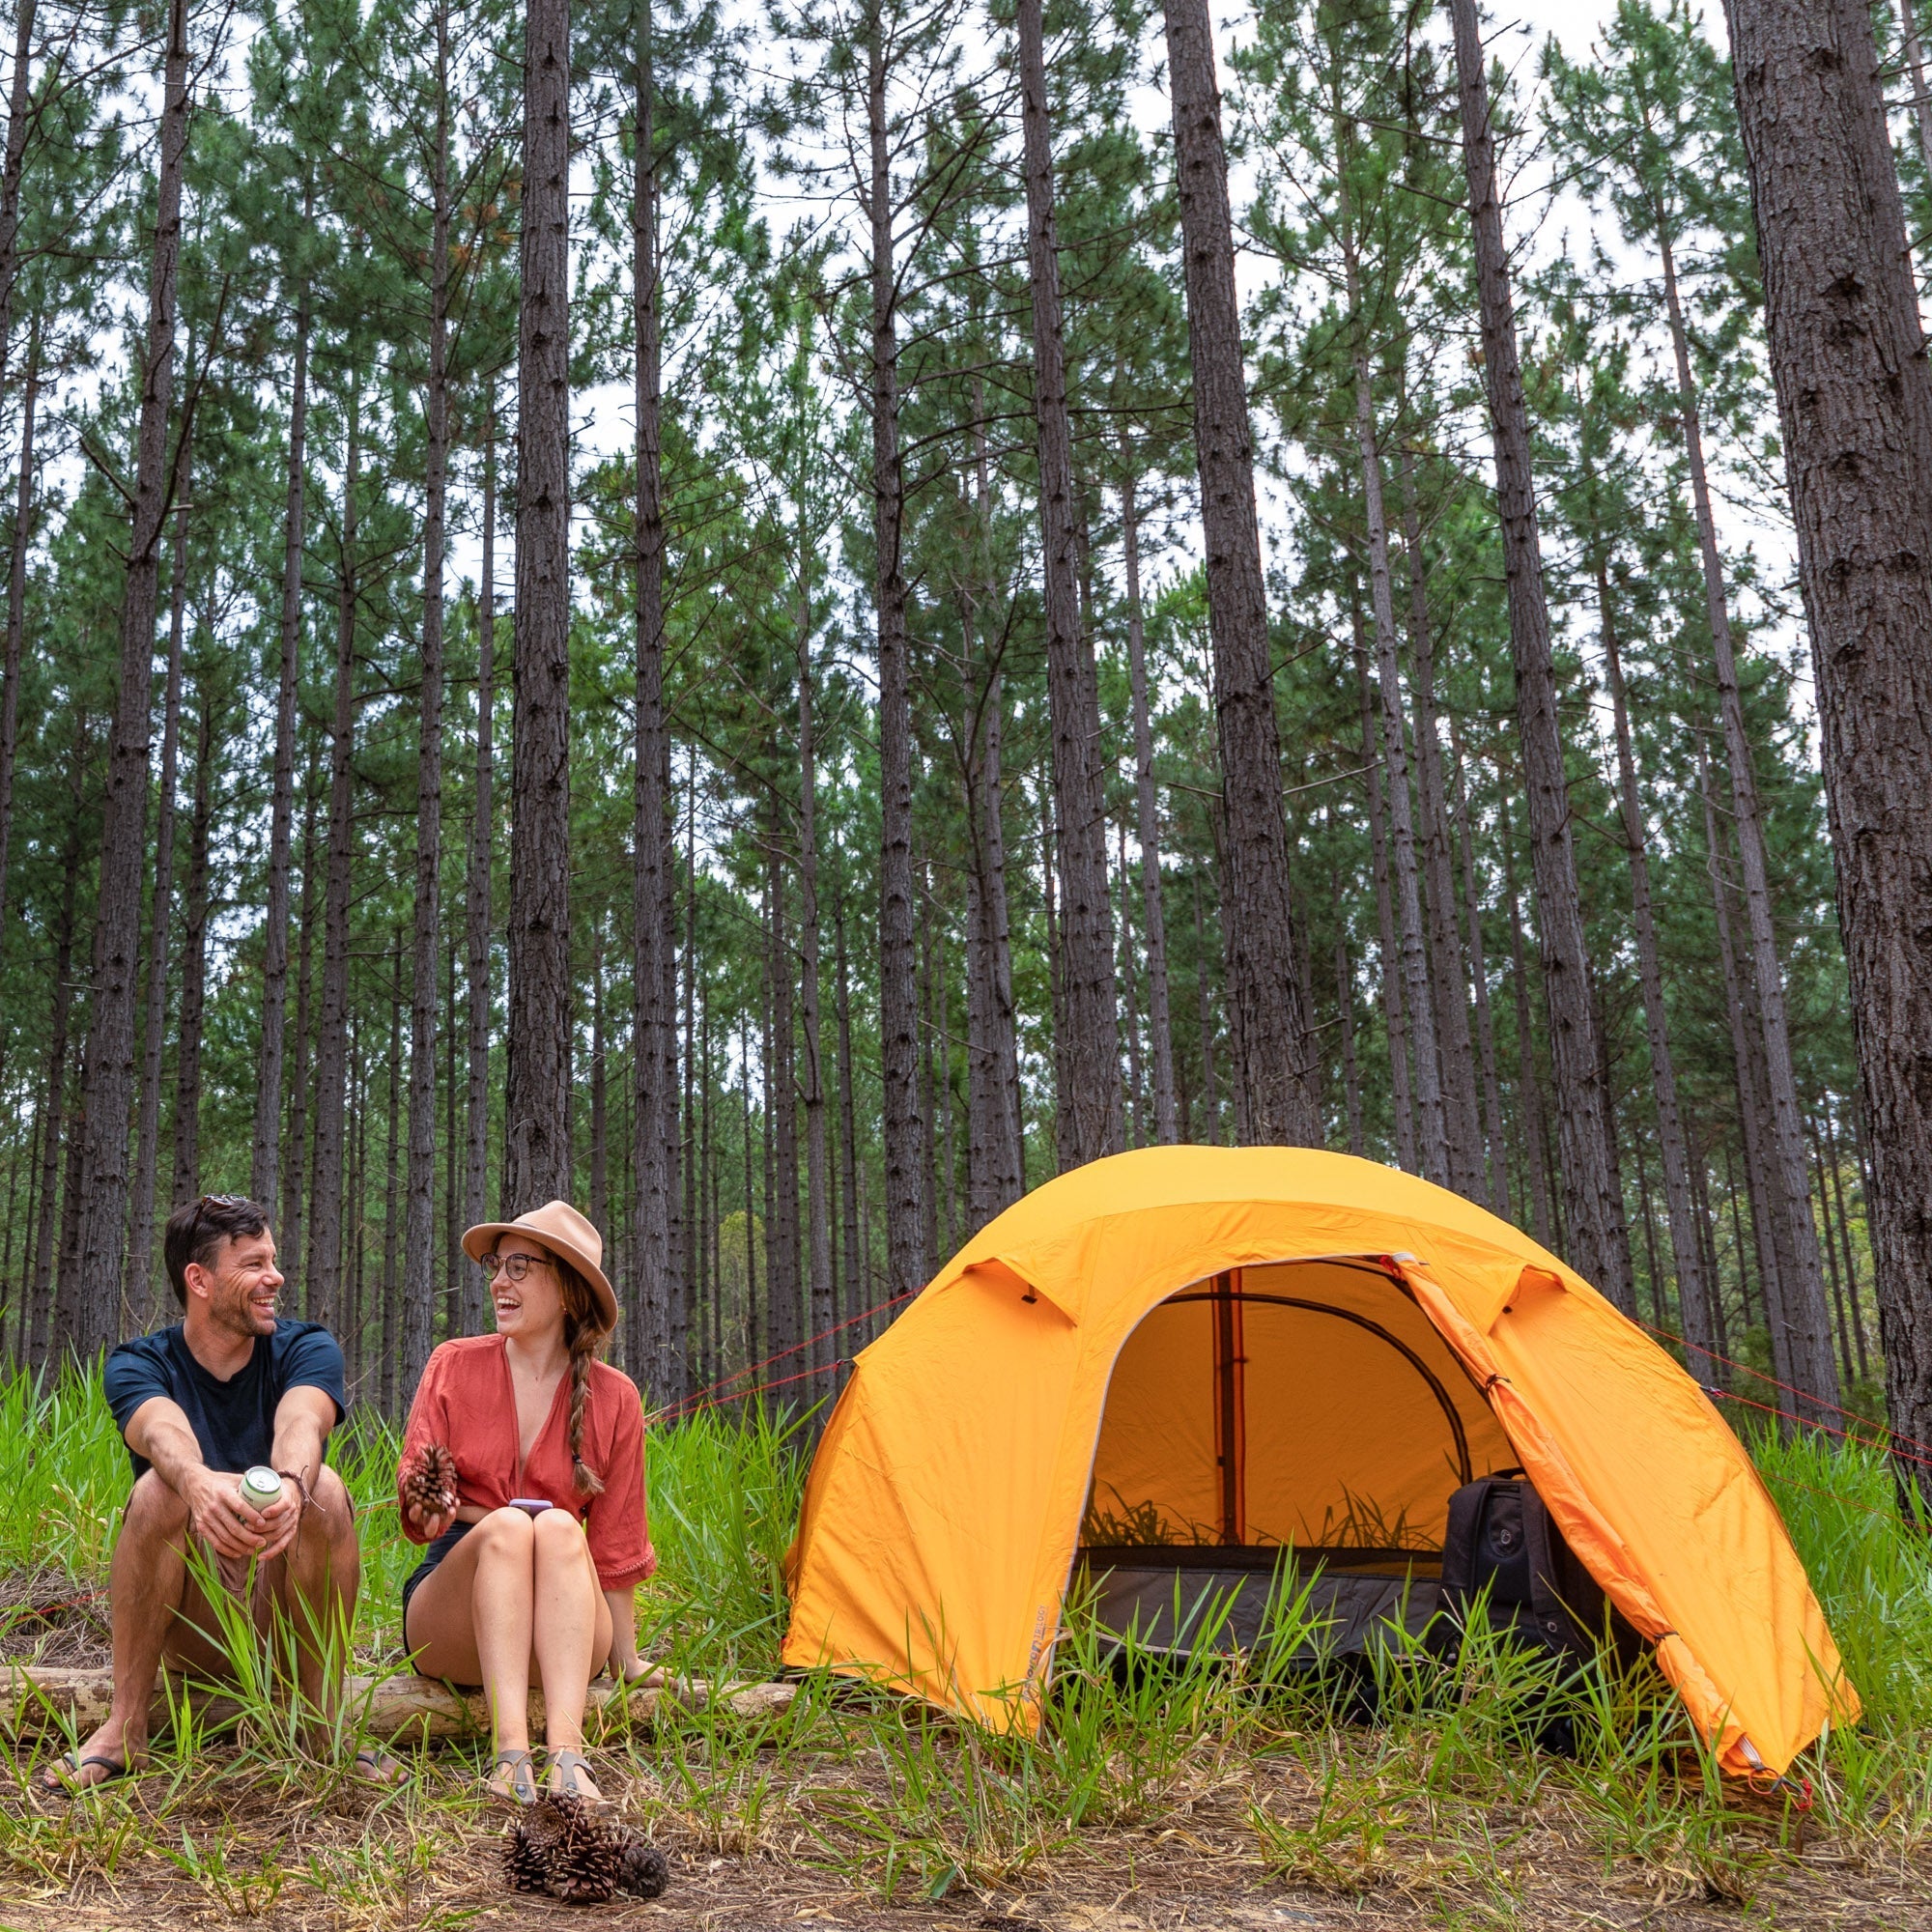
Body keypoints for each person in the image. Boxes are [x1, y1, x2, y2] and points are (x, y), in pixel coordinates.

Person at [39, 1193, 384, 1794]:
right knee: (157, 1490)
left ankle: (322, 1724)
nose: (274, 1277)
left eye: (273, 1260)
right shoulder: (139, 1361)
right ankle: (125, 1728)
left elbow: (302, 1422)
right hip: (193, 1625)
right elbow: (160, 1430)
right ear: (198, 1279)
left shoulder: (307, 1346)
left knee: (324, 1486)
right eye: (253, 1264)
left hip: (282, 1619)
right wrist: (197, 1484)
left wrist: (293, 1488)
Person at [398, 1200, 657, 1805]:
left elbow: (614, 1547)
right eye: (496, 1265)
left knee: (562, 1531)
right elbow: (418, 1499)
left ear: (567, 1289)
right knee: (516, 1530)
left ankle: (567, 1756)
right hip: (456, 1616)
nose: (498, 1281)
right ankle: (509, 1751)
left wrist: (629, 1660)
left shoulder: (615, 1398)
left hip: (566, 1631)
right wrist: (443, 1511)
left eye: (520, 1267)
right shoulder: (453, 1364)